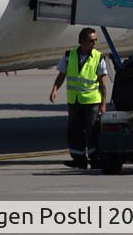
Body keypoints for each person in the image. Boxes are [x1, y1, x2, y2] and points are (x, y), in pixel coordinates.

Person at [49, 27, 109, 169]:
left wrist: (103, 104)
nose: (94, 43)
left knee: (93, 132)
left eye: (95, 40)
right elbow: (61, 75)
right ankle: (79, 159)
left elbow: (102, 83)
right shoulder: (69, 56)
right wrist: (54, 89)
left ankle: (96, 160)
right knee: (74, 131)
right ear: (82, 42)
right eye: (91, 41)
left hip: (92, 101)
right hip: (74, 101)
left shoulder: (98, 57)